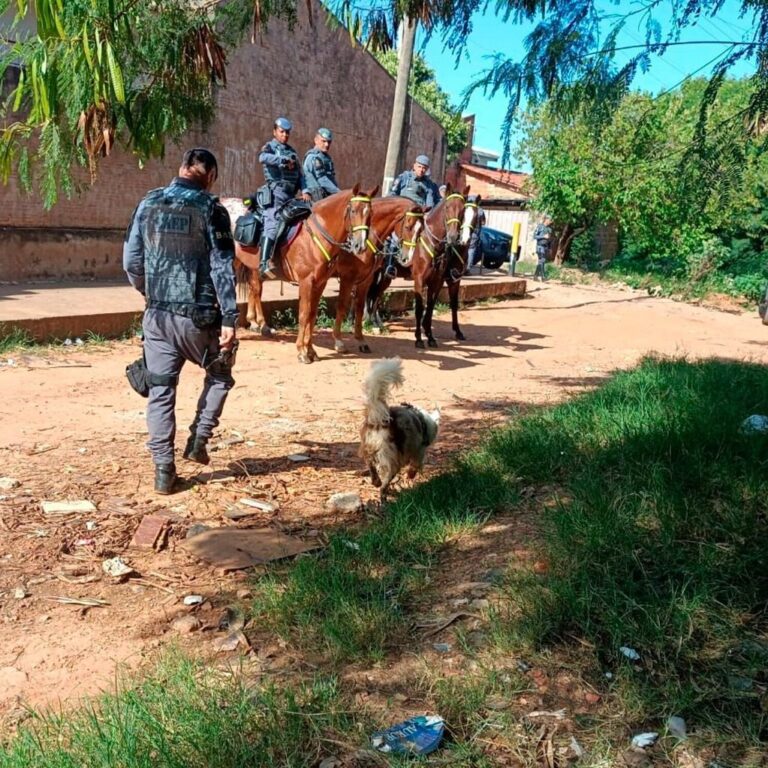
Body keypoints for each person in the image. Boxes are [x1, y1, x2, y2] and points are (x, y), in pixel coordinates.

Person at [123, 148, 239, 495]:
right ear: (211, 177)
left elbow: (131, 261)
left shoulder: (148, 203)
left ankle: (163, 471)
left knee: (160, 389)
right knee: (220, 374)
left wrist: (150, 292)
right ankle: (198, 440)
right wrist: (230, 317)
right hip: (199, 318)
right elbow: (222, 267)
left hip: (156, 317)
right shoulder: (212, 210)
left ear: (182, 168)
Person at [258, 117, 311, 278]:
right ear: (275, 132)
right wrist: (281, 160)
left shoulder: (292, 152)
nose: (285, 135)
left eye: (287, 132)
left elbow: (301, 175)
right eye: (282, 132)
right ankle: (264, 262)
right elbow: (262, 158)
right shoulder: (270, 147)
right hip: (275, 194)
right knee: (273, 223)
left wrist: (305, 190)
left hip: (291, 195)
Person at [303, 127, 340, 202]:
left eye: (329, 142)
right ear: (316, 140)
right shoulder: (313, 157)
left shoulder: (326, 158)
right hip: (315, 198)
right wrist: (339, 193)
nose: (327, 144)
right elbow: (322, 180)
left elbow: (331, 179)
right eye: (323, 141)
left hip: (326, 197)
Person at [466, 196, 486, 273]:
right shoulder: (480, 210)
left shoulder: (466, 208)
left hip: (465, 230)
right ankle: (467, 268)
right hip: (475, 232)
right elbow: (483, 222)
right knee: (471, 249)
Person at [533, 217, 553, 281]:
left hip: (545, 247)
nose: (551, 221)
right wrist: (543, 236)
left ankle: (535, 276)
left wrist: (550, 248)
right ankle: (543, 276)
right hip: (540, 246)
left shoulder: (549, 229)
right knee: (542, 260)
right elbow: (534, 236)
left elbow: (549, 239)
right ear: (546, 220)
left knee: (541, 261)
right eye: (550, 220)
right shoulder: (540, 226)